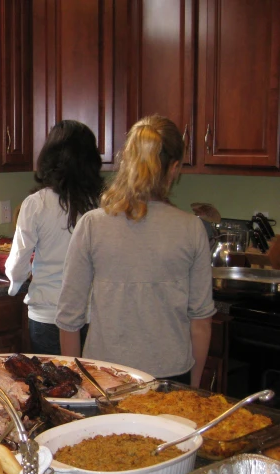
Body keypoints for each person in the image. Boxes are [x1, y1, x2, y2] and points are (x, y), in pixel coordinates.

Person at [56, 114, 215, 387]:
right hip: (170, 379)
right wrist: (194, 389)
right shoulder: (192, 229)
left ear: (126, 161)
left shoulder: (92, 225)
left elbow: (69, 321)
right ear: (174, 168)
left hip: (104, 378)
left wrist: (79, 388)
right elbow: (200, 322)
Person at [5, 120, 103, 354]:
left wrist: (14, 282)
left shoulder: (36, 204)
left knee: (53, 388)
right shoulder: (103, 204)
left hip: (47, 317)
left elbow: (18, 266)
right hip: (92, 315)